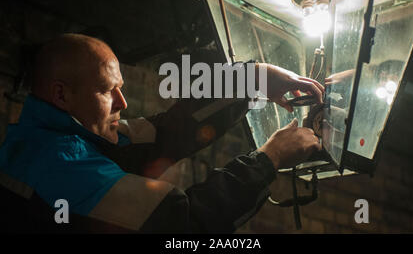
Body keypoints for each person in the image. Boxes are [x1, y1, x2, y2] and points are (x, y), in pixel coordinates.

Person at [0, 33, 324, 233]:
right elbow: (181, 224)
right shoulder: (58, 161)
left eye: (121, 89)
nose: (122, 102)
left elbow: (165, 132)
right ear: (61, 95)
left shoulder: (66, 136)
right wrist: (270, 158)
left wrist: (253, 79)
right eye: (106, 91)